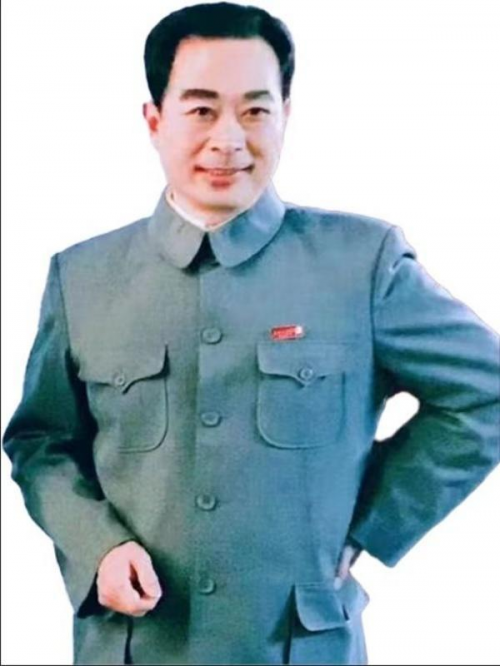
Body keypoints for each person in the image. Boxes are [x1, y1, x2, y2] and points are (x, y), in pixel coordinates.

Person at [2, 3, 499, 665]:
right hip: (134, 647)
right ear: (154, 120)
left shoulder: (360, 265)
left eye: (256, 110)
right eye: (201, 110)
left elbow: (486, 392)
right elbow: (41, 442)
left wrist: (374, 524)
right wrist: (96, 547)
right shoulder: (83, 277)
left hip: (298, 647)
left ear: (285, 114)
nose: (229, 139)